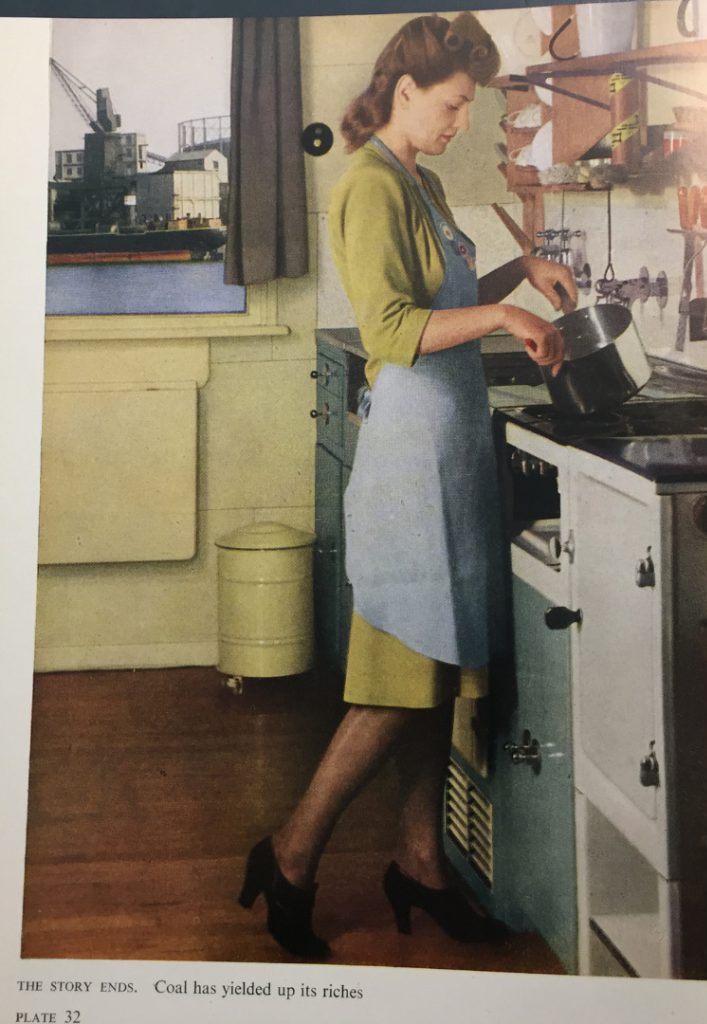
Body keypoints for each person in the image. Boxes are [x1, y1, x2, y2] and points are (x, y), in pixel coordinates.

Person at [238, 12, 577, 959]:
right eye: (456, 104)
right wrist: (508, 311)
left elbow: (447, 299)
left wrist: (522, 269)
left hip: (452, 452)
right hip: (409, 466)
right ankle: (291, 855)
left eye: (472, 107)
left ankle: (421, 865)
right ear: (405, 91)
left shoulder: (419, 182)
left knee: (435, 679)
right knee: (393, 687)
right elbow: (391, 330)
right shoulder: (368, 187)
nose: (463, 122)